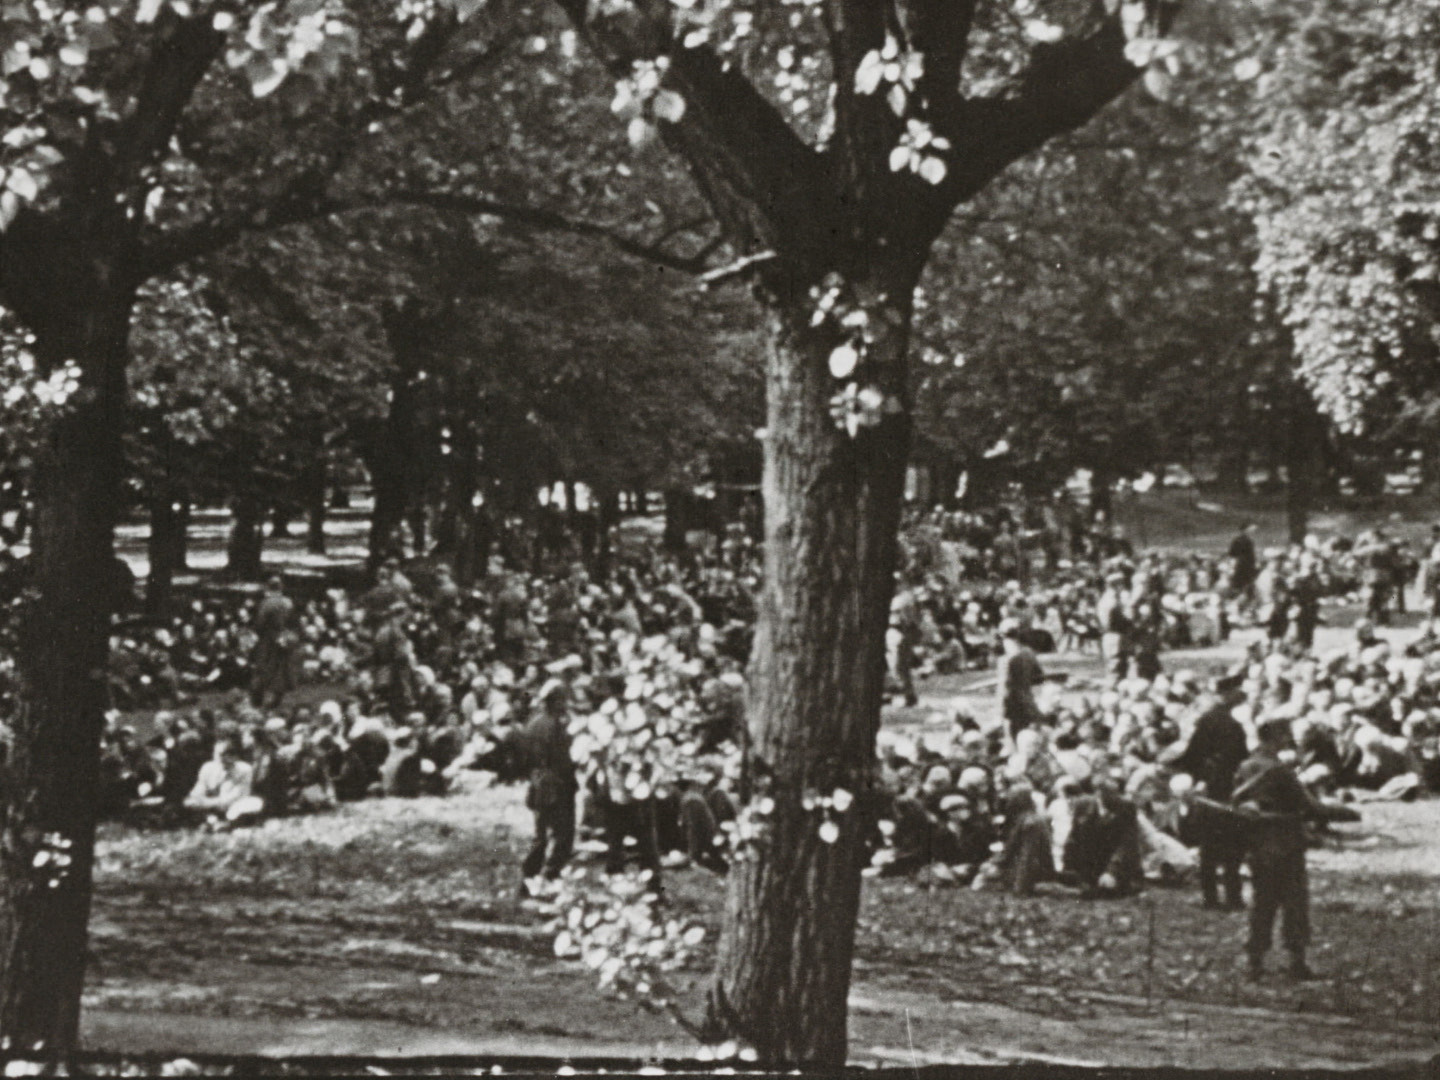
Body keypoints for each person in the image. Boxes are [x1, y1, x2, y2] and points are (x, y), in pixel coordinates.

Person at [1232, 716, 1325, 980]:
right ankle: (1297, 962)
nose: (1289, 741)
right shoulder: (1279, 770)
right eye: (1285, 736)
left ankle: (1254, 962)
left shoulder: (1246, 766)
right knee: (1294, 902)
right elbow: (1307, 806)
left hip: (1258, 844)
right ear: (1275, 738)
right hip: (1287, 841)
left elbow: (1237, 802)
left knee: (1262, 902)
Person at [1161, 687, 1249, 909]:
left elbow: (1193, 755)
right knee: (1233, 848)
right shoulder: (1236, 725)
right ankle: (1234, 897)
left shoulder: (1206, 724)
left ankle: (1210, 898)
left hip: (1209, 791)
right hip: (1233, 790)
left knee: (1209, 848)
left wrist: (1179, 768)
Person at [996, 618, 1047, 745]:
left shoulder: (1006, 659)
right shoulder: (1029, 653)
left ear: (1002, 636)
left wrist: (1000, 710)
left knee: (1014, 740)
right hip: (1028, 699)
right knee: (1031, 737)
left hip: (1013, 704)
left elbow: (1005, 687)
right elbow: (1039, 677)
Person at [250, 575, 297, 709]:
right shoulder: (288, 602)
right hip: (284, 638)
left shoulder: (267, 603)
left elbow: (260, 623)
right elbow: (293, 621)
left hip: (268, 640)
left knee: (262, 668)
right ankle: (276, 699)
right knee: (281, 670)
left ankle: (257, 701)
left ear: (268, 587)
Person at [1228, 522, 1258, 599]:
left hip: (1244, 566)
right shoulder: (1243, 541)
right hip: (1244, 567)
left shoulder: (1241, 540)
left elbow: (1232, 554)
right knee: (1244, 584)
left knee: (1242, 585)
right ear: (1245, 530)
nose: (1253, 532)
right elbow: (1233, 554)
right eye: (1251, 530)